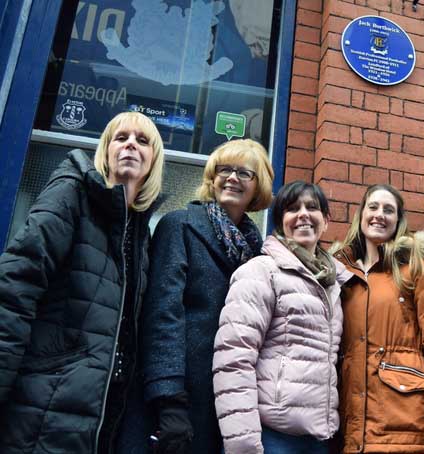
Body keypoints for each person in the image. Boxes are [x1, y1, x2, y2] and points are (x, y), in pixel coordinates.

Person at [0, 111, 165, 453]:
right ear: (105, 150)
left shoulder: (141, 233)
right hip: (44, 406)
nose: (131, 144)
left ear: (154, 160)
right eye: (121, 138)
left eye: (143, 140)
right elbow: (15, 288)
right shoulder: (72, 191)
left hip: (101, 417)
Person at [140, 139, 273, 454]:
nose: (232, 178)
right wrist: (168, 396)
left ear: (259, 187)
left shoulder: (257, 251)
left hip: (229, 398)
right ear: (212, 177)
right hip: (179, 394)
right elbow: (162, 312)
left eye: (244, 173)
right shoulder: (180, 225)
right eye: (224, 169)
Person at [213, 181, 352, 454]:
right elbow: (233, 358)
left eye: (312, 207)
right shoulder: (261, 271)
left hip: (317, 439)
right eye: (292, 209)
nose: (303, 214)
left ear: (325, 220)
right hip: (271, 437)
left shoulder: (335, 283)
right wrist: (244, 444)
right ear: (280, 222)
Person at [332, 184, 424, 454]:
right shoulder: (340, 272)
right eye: (374, 207)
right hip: (349, 430)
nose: (380, 215)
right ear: (361, 215)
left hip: (403, 427)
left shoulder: (417, 267)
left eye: (389, 210)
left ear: (398, 220)